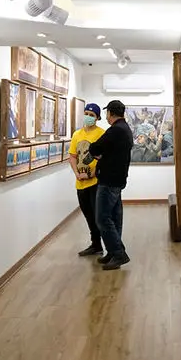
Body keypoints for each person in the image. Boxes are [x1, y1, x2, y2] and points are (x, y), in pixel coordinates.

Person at [88, 99, 133, 270]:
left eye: (107, 113)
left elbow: (95, 148)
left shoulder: (115, 130)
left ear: (111, 113)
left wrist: (99, 154)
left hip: (109, 181)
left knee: (102, 218)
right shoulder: (125, 129)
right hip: (118, 180)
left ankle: (118, 253)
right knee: (114, 218)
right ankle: (113, 252)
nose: (106, 116)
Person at [68, 102, 105, 256]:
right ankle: (96, 245)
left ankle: (105, 245)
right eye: (86, 114)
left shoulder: (101, 134)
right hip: (80, 183)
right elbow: (72, 156)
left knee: (98, 216)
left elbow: (104, 159)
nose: (88, 117)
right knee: (88, 216)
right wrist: (77, 173)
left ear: (97, 118)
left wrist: (90, 175)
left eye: (92, 115)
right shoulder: (77, 135)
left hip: (95, 182)